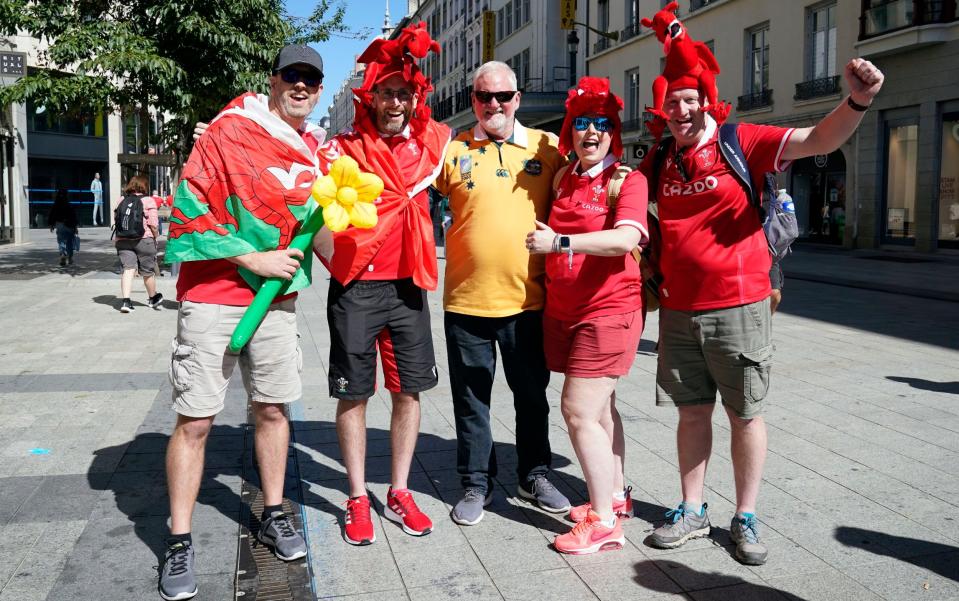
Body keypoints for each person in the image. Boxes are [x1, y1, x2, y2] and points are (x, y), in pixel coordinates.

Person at [639, 11, 884, 566]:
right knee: (691, 412)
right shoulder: (659, 158)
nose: (678, 111)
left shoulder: (741, 140)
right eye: (669, 104)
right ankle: (692, 508)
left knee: (744, 415)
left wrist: (858, 101)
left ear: (705, 97)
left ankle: (745, 515)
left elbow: (819, 137)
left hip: (740, 306)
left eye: (686, 99)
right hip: (678, 310)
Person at [158, 44, 326, 601]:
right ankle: (179, 540)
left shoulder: (312, 153)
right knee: (197, 420)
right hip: (213, 295)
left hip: (276, 300)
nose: (301, 86)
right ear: (274, 81)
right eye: (293, 76)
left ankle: (275, 513)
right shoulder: (229, 130)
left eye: (312, 80)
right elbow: (188, 209)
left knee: (273, 410)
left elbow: (319, 228)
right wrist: (252, 258)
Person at [315, 22, 452, 546]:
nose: (395, 102)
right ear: (368, 97)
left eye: (404, 92)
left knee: (409, 392)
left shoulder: (431, 145)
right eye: (386, 92)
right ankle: (355, 497)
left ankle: (398, 490)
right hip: (357, 286)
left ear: (416, 96)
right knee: (354, 396)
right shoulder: (343, 148)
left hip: (409, 287)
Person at [432, 61, 570, 526]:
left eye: (503, 96)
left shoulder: (547, 147)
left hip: (528, 302)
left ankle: (534, 475)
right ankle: (476, 481)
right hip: (466, 301)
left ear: (518, 98)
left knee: (532, 397)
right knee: (471, 400)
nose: (494, 104)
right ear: (473, 99)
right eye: (484, 96)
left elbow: (586, 189)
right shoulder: (451, 151)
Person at [525, 77, 648, 554]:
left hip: (608, 311)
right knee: (602, 409)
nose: (591, 133)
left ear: (612, 133)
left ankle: (601, 523)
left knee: (577, 412)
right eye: (582, 124)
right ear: (570, 131)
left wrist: (560, 242)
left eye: (601, 125)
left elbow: (625, 240)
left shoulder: (627, 180)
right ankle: (615, 498)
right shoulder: (565, 176)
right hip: (566, 311)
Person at [114, 175, 162, 313]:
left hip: (123, 240)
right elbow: (153, 224)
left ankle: (126, 302)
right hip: (144, 240)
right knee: (147, 271)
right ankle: (153, 298)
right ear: (144, 186)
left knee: (128, 270)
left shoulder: (121, 200)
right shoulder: (148, 200)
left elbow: (116, 220)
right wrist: (155, 237)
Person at [48, 188, 78, 266]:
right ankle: (70, 257)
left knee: (61, 240)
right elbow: (73, 216)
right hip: (69, 225)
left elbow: (52, 214)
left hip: (60, 224)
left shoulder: (56, 204)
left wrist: (51, 224)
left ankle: (63, 255)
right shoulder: (68, 204)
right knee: (69, 242)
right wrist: (75, 227)